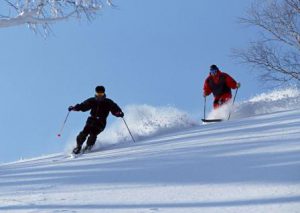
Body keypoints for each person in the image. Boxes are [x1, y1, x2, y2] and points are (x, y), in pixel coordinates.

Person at [68, 86, 124, 154]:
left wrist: (119, 113)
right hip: (91, 119)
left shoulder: (108, 102)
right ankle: (78, 146)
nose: (100, 96)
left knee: (93, 134)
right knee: (84, 132)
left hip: (101, 122)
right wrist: (74, 108)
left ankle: (88, 146)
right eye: (98, 94)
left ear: (104, 93)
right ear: (96, 93)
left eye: (101, 94)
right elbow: (83, 106)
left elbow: (115, 110)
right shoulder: (92, 100)